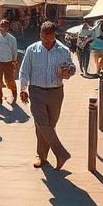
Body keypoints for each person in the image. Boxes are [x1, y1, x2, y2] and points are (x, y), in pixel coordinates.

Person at [18, 21, 76, 170]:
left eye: (49, 39)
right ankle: (54, 154)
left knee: (49, 126)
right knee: (41, 123)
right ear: (40, 35)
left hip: (56, 92)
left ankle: (44, 156)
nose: (46, 42)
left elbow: (71, 67)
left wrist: (68, 71)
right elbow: (24, 71)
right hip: (36, 91)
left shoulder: (63, 50)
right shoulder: (32, 49)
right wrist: (23, 89)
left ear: (54, 36)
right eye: (44, 38)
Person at [0, 19, 19, 106]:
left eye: (5, 26)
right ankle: (0, 98)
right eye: (1, 25)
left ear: (8, 27)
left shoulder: (12, 39)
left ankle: (14, 93)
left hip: (8, 62)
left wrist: (14, 61)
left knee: (9, 81)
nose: (3, 27)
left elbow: (14, 50)